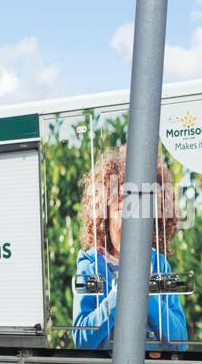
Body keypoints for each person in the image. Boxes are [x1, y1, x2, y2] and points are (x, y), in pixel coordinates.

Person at [71, 145, 187, 350]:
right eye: (122, 208)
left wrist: (145, 291)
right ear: (104, 215)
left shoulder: (159, 265)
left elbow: (180, 342)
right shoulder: (90, 266)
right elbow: (82, 339)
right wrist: (120, 293)